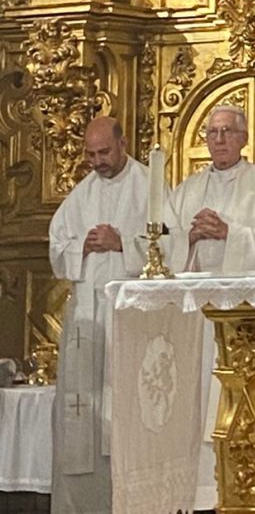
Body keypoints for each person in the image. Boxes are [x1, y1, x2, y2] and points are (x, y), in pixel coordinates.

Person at [167, 105, 255, 509]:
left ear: (243, 137)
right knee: (192, 403)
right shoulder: (187, 189)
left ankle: (236, 489)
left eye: (226, 132)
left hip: (238, 316)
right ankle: (193, 493)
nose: (218, 140)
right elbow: (161, 240)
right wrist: (188, 236)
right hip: (194, 315)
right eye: (212, 133)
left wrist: (229, 233)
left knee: (227, 403)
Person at [48, 118, 150, 514]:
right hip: (87, 321)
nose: (97, 162)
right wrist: (82, 248)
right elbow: (58, 247)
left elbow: (171, 245)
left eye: (104, 152)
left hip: (131, 317)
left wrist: (122, 243)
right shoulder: (81, 194)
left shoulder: (148, 187)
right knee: (83, 418)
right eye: (90, 154)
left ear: (122, 144)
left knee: (125, 408)